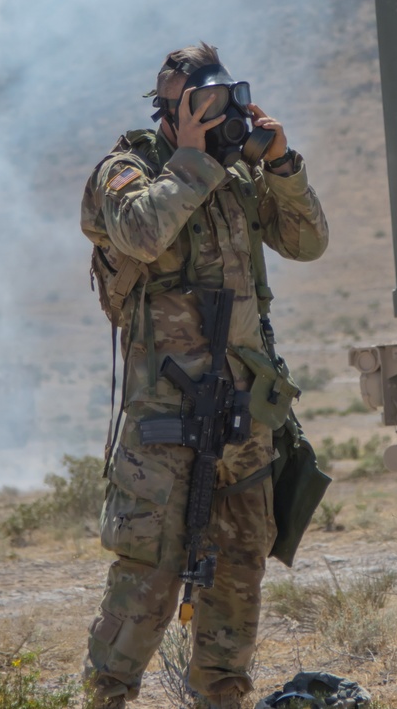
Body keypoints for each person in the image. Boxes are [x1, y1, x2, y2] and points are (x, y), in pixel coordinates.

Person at [79, 42, 329, 709]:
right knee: (149, 581)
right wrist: (191, 160)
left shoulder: (236, 179)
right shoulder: (125, 171)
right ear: (170, 111)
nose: (220, 116)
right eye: (203, 104)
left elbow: (308, 241)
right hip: (164, 427)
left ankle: (222, 697)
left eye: (225, 99)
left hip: (242, 418)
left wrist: (280, 165)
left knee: (239, 572)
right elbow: (138, 234)